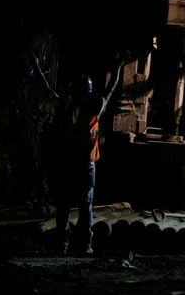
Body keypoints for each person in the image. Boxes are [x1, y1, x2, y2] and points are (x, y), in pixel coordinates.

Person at [50, 55, 125, 255]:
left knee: (63, 206)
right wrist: (117, 68)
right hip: (86, 166)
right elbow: (109, 92)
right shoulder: (94, 111)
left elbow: (50, 93)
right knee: (86, 208)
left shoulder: (66, 112)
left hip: (67, 164)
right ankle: (84, 245)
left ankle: (61, 245)